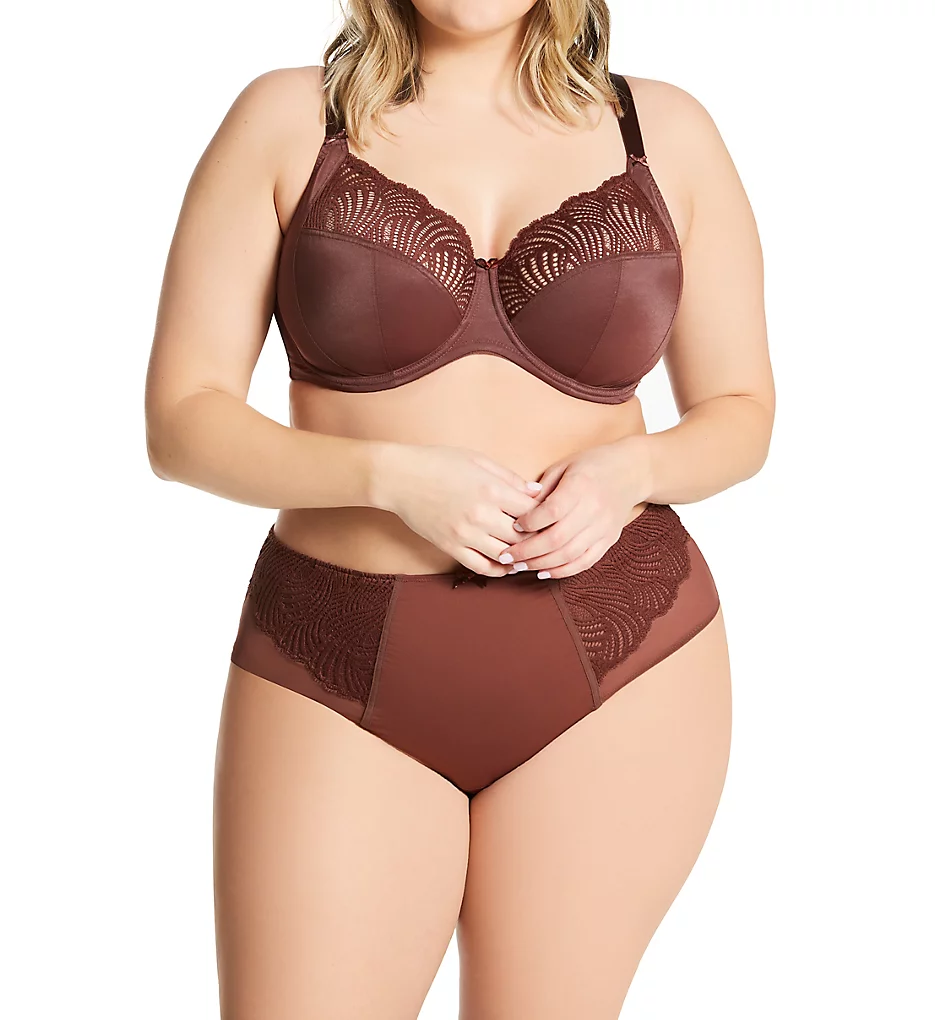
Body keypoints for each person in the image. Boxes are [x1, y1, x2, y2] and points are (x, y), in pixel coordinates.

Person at [144, 1, 774, 1015]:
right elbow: (182, 421)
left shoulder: (664, 132)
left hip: (619, 661)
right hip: (338, 659)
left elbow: (741, 412)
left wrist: (630, 472)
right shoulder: (286, 121)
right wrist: (387, 477)